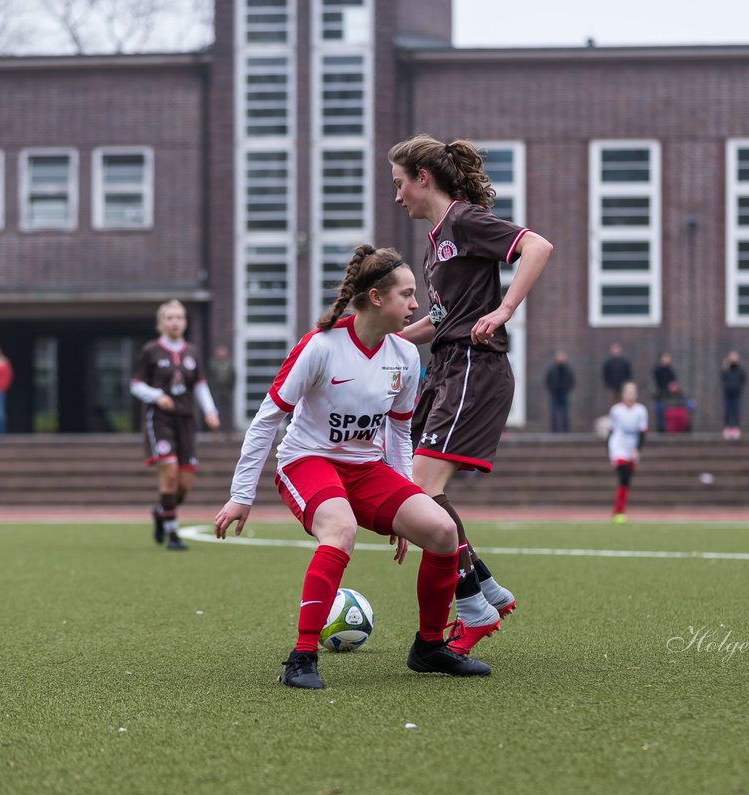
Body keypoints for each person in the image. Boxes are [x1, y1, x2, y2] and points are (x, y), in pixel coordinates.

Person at [214, 245, 491, 689]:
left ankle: (429, 648)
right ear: (377, 298)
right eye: (406, 294)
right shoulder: (320, 347)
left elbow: (400, 434)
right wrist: (241, 494)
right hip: (307, 460)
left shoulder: (404, 356)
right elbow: (268, 417)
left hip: (366, 469)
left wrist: (408, 497)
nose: (416, 304)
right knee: (340, 529)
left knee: (441, 530)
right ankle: (301, 659)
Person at [389, 133, 554, 655]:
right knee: (410, 490)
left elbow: (537, 245)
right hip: (446, 367)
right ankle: (482, 587)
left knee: (418, 492)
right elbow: (440, 321)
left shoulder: (463, 219)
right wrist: (380, 339)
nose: (397, 197)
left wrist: (504, 309)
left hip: (472, 369)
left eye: (399, 184)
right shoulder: (437, 237)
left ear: (423, 178)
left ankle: (474, 608)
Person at [131, 300, 220, 551]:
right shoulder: (150, 351)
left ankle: (162, 511)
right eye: (169, 317)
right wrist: (157, 396)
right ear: (161, 323)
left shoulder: (192, 351)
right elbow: (135, 385)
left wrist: (211, 412)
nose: (175, 322)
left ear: (185, 322)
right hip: (160, 420)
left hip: (186, 420)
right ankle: (173, 534)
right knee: (168, 475)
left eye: (179, 317)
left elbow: (200, 385)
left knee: (183, 485)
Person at [607, 381, 648, 523]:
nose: (630, 394)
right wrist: (610, 451)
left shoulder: (641, 411)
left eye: (632, 392)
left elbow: (642, 433)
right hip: (618, 446)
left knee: (626, 481)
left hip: (632, 448)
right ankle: (618, 511)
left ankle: (620, 510)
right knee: (623, 476)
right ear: (623, 394)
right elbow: (610, 431)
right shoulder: (616, 410)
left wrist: (637, 450)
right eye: (627, 391)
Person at [207, 344, 237, 432]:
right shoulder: (213, 364)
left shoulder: (229, 364)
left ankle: (228, 429)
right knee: (216, 409)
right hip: (217, 390)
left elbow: (233, 377)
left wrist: (230, 388)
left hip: (226, 390)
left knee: (227, 410)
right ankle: (216, 430)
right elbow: (211, 377)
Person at [544, 349, 575, 432]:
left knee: (565, 413)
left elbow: (572, 380)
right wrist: (551, 389)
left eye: (562, 357)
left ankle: (566, 430)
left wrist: (567, 388)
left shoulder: (568, 369)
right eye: (559, 357)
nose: (560, 359)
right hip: (554, 393)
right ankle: (554, 430)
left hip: (564, 393)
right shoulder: (552, 369)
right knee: (553, 413)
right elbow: (547, 380)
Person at [721, 350, 747, 440]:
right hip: (727, 393)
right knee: (727, 411)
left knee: (736, 410)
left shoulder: (740, 370)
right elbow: (722, 377)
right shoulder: (726, 369)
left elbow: (743, 378)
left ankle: (736, 428)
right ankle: (727, 428)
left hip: (737, 393)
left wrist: (739, 387)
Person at [651, 351, 677, 433]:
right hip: (659, 395)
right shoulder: (657, 370)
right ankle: (660, 429)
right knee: (659, 412)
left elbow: (673, 382)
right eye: (665, 357)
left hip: (669, 396)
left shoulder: (670, 370)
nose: (667, 359)